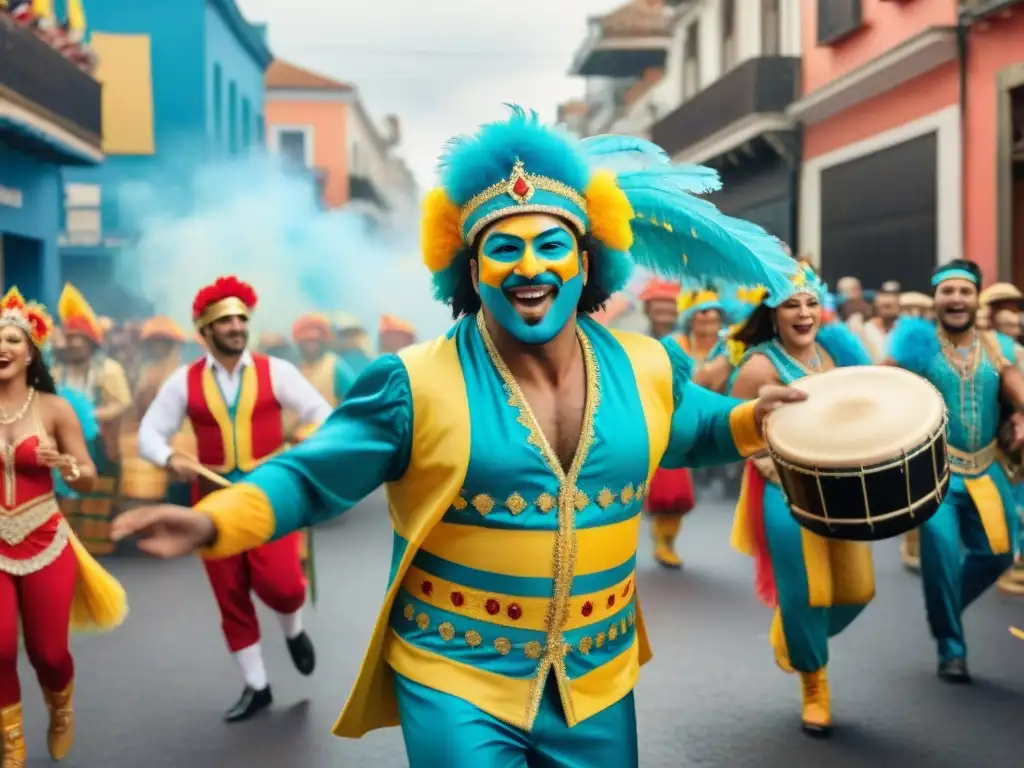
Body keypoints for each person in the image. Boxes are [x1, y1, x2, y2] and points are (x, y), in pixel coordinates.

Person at [112, 110, 804, 767]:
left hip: (597, 672)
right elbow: (310, 474)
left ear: (586, 261)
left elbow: (694, 428)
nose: (529, 267)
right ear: (470, 271)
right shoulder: (410, 383)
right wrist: (213, 520)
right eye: (504, 248)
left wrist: (751, 420)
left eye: (551, 244)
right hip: (456, 670)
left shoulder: (646, 366)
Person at [135, 276, 333, 722]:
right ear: (204, 331)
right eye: (225, 321)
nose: (236, 327)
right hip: (210, 500)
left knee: (280, 585)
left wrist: (304, 440)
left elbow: (322, 414)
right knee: (230, 594)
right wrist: (170, 458)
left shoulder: (276, 371)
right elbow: (149, 433)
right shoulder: (182, 383)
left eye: (241, 319)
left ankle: (293, 628)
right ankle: (256, 685)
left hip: (270, 494)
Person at [728, 262, 874, 737]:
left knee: (857, 591)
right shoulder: (758, 365)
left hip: (842, 492)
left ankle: (791, 633)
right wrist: (789, 474)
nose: (804, 312)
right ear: (773, 313)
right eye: (792, 304)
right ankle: (815, 687)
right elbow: (737, 431)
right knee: (808, 593)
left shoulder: (832, 356)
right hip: (783, 492)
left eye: (811, 302)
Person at [0, 287, 127, 768]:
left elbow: (89, 475)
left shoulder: (55, 409)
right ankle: (11, 742)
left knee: (49, 653)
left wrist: (67, 467)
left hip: (44, 541)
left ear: (31, 351)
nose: (3, 348)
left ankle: (60, 709)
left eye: (13, 339)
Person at [887, 259, 1024, 682]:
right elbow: (880, 388)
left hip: (986, 468)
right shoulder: (916, 345)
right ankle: (952, 647)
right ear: (936, 298)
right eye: (948, 291)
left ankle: (941, 607)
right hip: (935, 474)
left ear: (976, 297)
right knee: (942, 554)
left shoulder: (1000, 346)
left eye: (965, 291)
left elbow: (1018, 391)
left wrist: (1021, 414)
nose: (956, 299)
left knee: (1000, 553)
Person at [52, 284, 131, 555]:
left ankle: (94, 546)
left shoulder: (109, 370)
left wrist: (89, 415)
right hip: (61, 443)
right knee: (62, 497)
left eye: (80, 340)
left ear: (91, 344)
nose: (74, 344)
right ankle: (66, 547)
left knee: (96, 498)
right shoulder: (56, 371)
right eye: (70, 339)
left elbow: (121, 404)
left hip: (97, 442)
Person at [635, 279, 696, 569]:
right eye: (658, 305)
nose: (664, 311)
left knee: (676, 491)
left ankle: (666, 541)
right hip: (649, 418)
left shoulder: (687, 340)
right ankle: (660, 540)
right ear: (648, 309)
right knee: (659, 489)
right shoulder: (638, 342)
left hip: (681, 417)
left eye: (669, 305)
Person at [292, 313, 358, 409]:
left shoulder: (335, 367)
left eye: (315, 340)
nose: (311, 345)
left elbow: (355, 402)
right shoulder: (292, 369)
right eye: (307, 340)